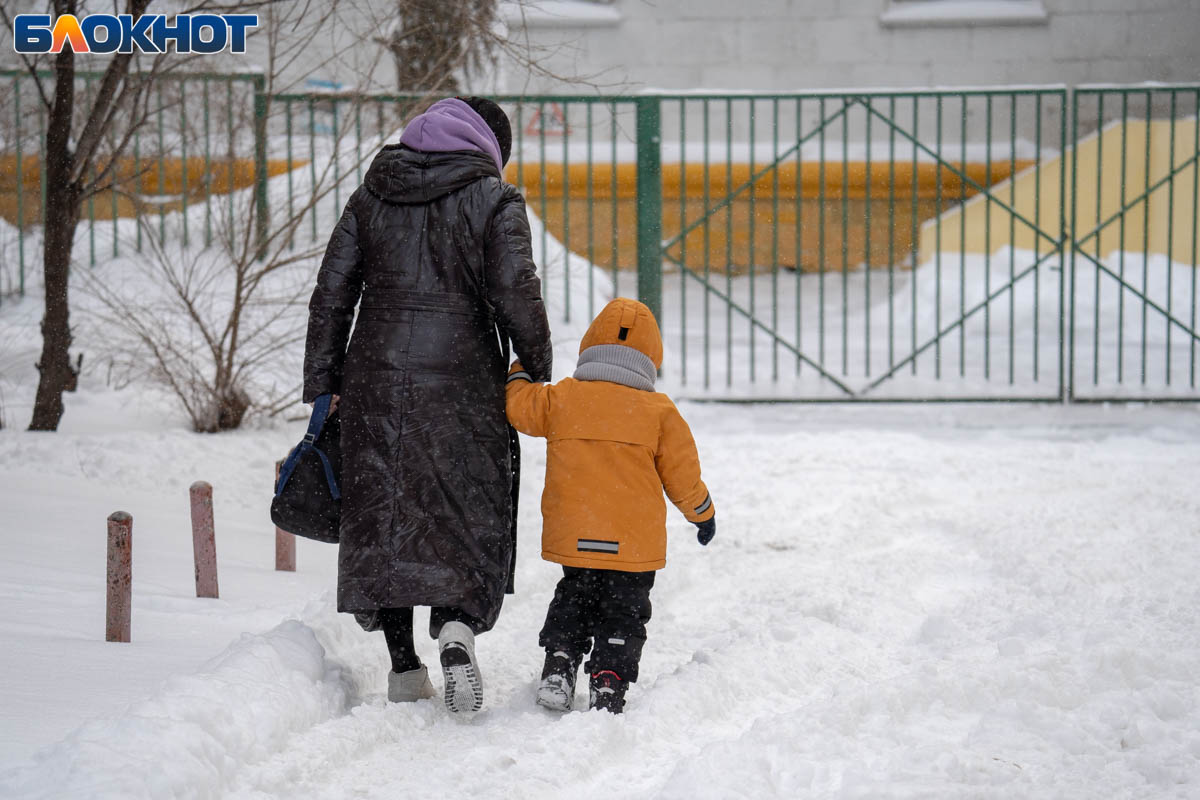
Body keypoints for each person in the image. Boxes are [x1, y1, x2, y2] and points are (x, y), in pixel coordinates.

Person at [303, 96, 552, 713]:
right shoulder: (496, 201)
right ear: (489, 149)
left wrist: (323, 382)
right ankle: (456, 627)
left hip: (375, 375)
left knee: (384, 508)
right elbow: (516, 292)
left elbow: (331, 295)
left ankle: (403, 666)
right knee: (462, 502)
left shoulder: (371, 196)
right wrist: (537, 365)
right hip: (464, 376)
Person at [504, 298, 716, 714]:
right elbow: (683, 476)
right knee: (626, 610)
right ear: (650, 358)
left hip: (577, 534)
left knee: (574, 597)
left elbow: (519, 408)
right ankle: (609, 679)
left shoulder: (562, 398)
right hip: (632, 546)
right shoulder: (659, 412)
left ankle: (559, 666)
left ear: (591, 346)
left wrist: (519, 370)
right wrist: (702, 513)